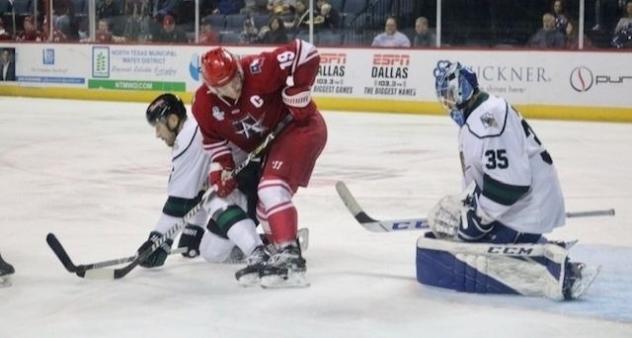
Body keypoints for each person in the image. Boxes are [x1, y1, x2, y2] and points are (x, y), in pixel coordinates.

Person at [416, 61, 599, 301]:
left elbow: (510, 185)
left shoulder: (487, 119)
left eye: (450, 96)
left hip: (526, 209)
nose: (448, 104)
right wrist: (470, 206)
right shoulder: (481, 114)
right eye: (444, 99)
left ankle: (553, 271)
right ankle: (535, 247)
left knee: (462, 253)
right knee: (454, 239)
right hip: (521, 207)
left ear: (463, 90)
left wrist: (477, 220)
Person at [192, 39, 327, 288]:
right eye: (225, 86)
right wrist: (224, 169)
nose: (234, 88)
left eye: (235, 78)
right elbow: (215, 144)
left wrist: (300, 89)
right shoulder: (203, 105)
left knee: (270, 189)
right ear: (210, 88)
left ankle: (289, 255)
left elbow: (306, 52)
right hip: (272, 145)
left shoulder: (258, 67)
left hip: (300, 128)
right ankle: (278, 247)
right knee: (265, 205)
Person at [136, 93, 266, 272]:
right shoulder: (193, 130)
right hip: (247, 187)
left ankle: (258, 251)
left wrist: (159, 240)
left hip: (250, 186)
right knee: (211, 252)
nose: (157, 134)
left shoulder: (189, 139)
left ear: (173, 120)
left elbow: (180, 201)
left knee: (213, 197)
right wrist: (194, 228)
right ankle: (273, 244)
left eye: (158, 127)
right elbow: (198, 189)